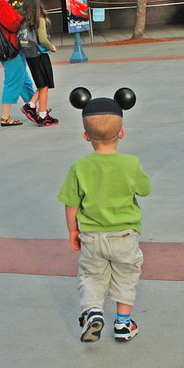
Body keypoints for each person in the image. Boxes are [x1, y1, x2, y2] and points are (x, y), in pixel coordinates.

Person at [58, 93, 151, 343]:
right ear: (121, 133)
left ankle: (94, 312)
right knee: (126, 277)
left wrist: (72, 231)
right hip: (124, 236)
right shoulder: (131, 163)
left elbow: (71, 203)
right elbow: (145, 189)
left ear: (86, 136)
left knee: (91, 277)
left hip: (92, 237)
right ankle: (123, 325)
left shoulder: (79, 166)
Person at [0, 0, 36, 126]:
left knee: (23, 79)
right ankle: (5, 117)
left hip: (3, 50)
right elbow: (14, 25)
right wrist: (26, 18)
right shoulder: (3, 6)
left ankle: (33, 107)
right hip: (12, 50)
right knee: (13, 82)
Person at [18, 0, 59, 126]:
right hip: (40, 54)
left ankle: (31, 106)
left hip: (30, 56)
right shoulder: (39, 20)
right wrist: (51, 47)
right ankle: (42, 116)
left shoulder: (24, 22)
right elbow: (42, 39)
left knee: (42, 84)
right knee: (44, 85)